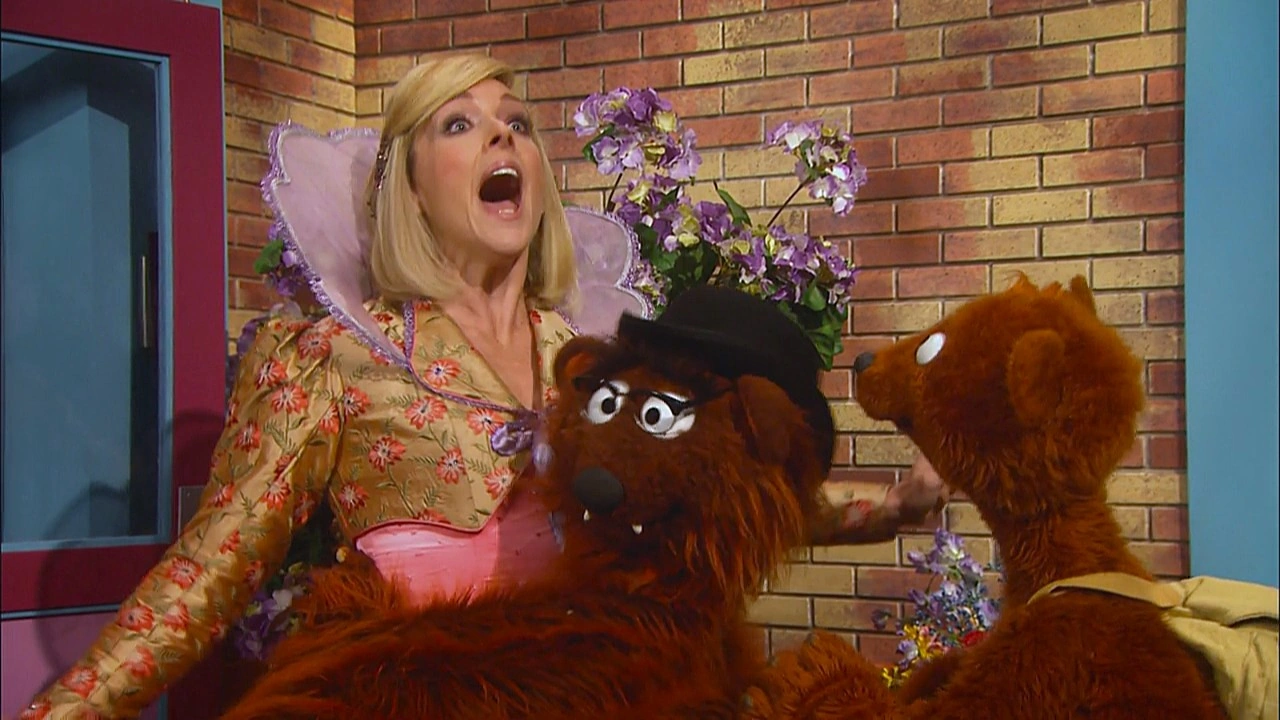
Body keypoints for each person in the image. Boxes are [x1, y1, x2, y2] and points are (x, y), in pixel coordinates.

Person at [21, 53, 945, 720]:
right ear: (411, 187)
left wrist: (888, 508)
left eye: (518, 122)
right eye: (458, 123)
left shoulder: (593, 361)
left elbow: (701, 498)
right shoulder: (329, 357)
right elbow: (208, 571)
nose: (504, 132)